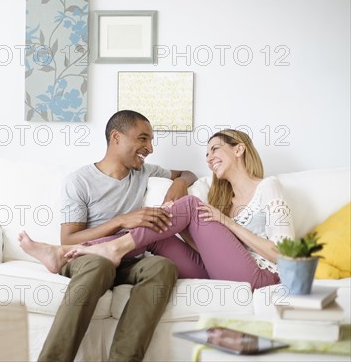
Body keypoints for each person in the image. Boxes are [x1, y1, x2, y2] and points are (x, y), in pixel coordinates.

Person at [19, 110, 198, 362]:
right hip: (86, 258)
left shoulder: (144, 172)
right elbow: (69, 239)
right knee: (101, 264)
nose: (150, 148)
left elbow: (187, 173)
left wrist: (180, 183)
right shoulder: (79, 181)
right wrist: (121, 221)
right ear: (116, 137)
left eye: (151, 141)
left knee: (162, 266)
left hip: (128, 259)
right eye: (143, 139)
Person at [60, 129, 296, 291]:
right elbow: (217, 255)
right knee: (156, 234)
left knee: (191, 204)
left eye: (215, 149)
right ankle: (77, 252)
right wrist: (181, 228)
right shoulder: (221, 198)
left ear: (239, 149)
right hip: (221, 272)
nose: (209, 158)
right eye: (206, 154)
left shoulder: (269, 187)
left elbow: (285, 256)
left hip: (260, 277)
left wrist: (227, 222)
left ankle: (111, 248)